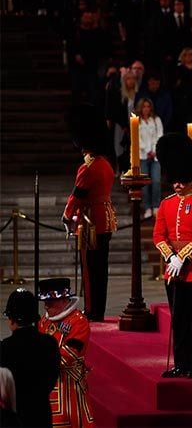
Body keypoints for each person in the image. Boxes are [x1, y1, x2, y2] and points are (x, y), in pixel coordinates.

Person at [153, 133, 192, 379]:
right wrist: (171, 258)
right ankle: (180, 363)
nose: (177, 184)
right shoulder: (166, 204)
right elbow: (159, 236)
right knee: (178, 320)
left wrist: (184, 257)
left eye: (182, 179)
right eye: (174, 179)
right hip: (173, 271)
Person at [62, 103, 117, 322]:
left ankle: (93, 310)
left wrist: (67, 215)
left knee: (90, 269)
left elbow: (77, 196)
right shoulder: (105, 164)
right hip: (105, 219)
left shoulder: (88, 167)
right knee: (100, 269)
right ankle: (98, 309)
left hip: (90, 221)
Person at [37, 278, 95, 428]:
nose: (46, 305)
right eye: (45, 300)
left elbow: (68, 356)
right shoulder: (44, 321)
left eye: (51, 300)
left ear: (64, 300)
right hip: (46, 384)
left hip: (68, 387)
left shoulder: (79, 322)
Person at [1, 289, 60, 428]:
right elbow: (52, 378)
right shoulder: (50, 344)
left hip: (13, 420)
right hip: (41, 416)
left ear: (11, 319)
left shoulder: (4, 348)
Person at [136, 97, 164, 219]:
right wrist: (147, 150)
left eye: (148, 106)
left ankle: (156, 206)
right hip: (142, 156)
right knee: (145, 183)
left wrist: (153, 150)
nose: (146, 109)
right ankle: (147, 207)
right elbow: (136, 138)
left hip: (155, 155)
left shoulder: (156, 120)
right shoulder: (136, 121)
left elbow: (160, 135)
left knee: (156, 181)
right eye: (144, 107)